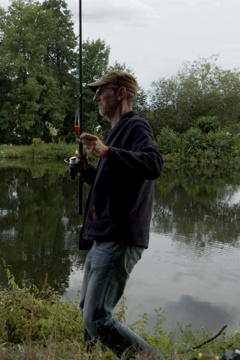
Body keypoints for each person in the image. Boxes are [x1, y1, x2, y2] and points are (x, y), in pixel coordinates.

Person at [74, 70, 163, 359]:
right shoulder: (113, 134)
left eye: (101, 91)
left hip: (119, 236)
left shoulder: (136, 126)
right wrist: (88, 170)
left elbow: (153, 164)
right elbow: (114, 183)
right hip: (104, 236)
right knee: (87, 309)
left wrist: (108, 151)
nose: (96, 98)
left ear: (121, 92)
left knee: (97, 317)